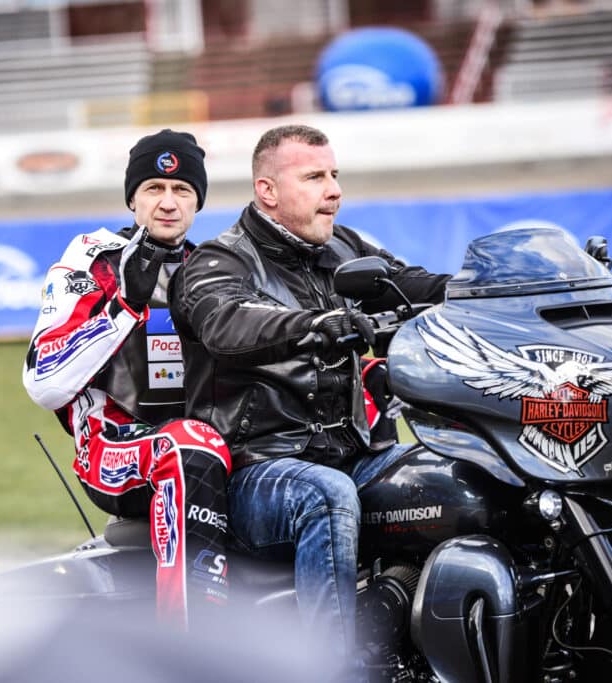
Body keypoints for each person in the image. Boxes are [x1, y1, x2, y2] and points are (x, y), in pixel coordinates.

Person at [170, 124, 450, 667]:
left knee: (452, 476)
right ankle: (331, 667)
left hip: (353, 456)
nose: (334, 190)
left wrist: (494, 287)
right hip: (255, 472)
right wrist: (314, 324)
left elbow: (413, 284)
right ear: (268, 191)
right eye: (315, 177)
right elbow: (227, 321)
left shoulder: (345, 247)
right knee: (325, 495)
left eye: (335, 175)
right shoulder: (218, 261)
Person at [22, 129, 231, 631]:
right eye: (154, 188)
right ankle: (189, 643)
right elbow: (43, 381)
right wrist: (123, 307)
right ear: (132, 199)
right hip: (110, 448)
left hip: (200, 437)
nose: (168, 202)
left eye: (182, 190)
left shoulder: (213, 267)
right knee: (189, 448)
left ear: (198, 202)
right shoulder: (92, 260)